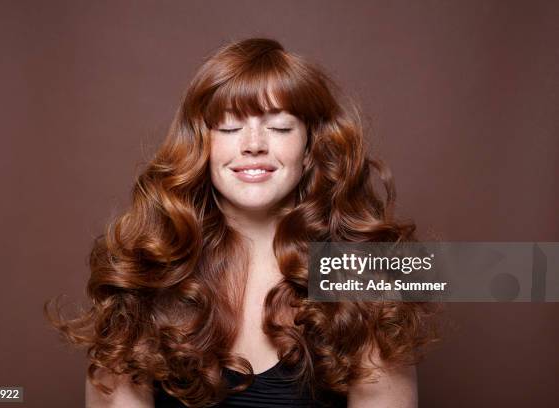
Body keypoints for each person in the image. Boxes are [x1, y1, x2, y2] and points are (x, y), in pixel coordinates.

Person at [46, 37, 438, 407]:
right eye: (230, 127)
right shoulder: (143, 273)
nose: (254, 144)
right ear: (201, 145)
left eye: (280, 127)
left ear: (309, 149)